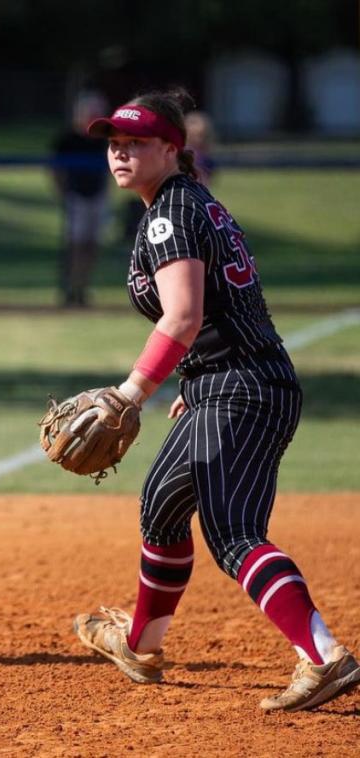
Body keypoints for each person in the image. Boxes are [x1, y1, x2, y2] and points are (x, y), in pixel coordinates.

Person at [70, 88, 360, 711]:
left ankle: (323, 654)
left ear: (172, 149)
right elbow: (217, 317)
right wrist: (192, 380)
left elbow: (181, 316)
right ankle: (141, 645)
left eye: (136, 143)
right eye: (114, 144)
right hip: (233, 383)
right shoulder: (189, 202)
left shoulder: (171, 213)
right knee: (163, 505)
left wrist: (131, 393)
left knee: (233, 534)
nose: (120, 153)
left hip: (240, 388)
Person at [51, 91, 111, 308]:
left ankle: (83, 288)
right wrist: (63, 193)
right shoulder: (68, 138)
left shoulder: (104, 140)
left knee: (92, 245)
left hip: (98, 196)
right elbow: (56, 170)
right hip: (76, 197)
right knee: (76, 245)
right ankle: (70, 290)